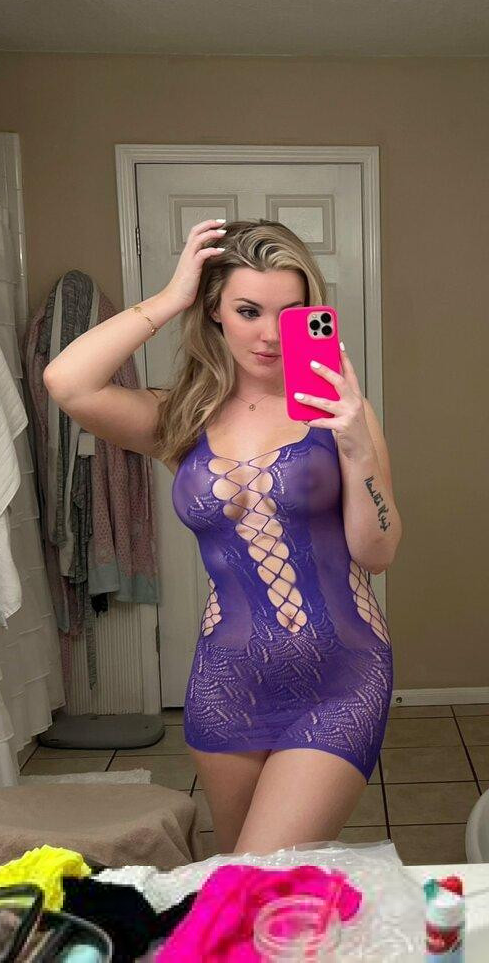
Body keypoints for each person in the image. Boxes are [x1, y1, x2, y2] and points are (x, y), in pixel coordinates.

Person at [44, 218, 401, 853]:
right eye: (248, 310)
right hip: (227, 680)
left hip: (341, 673)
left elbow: (378, 551)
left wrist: (357, 449)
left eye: (289, 313)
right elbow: (67, 383)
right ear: (213, 311)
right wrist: (169, 296)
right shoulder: (181, 417)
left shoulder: (342, 412)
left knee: (262, 870)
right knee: (241, 878)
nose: (270, 334)